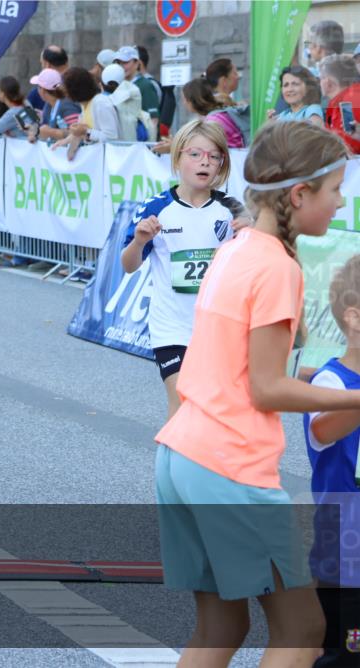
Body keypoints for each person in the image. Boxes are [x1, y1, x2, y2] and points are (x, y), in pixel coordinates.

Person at [155, 120, 353, 666]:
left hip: (182, 453)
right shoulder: (277, 266)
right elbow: (266, 389)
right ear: (298, 194)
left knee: (222, 625)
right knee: (303, 629)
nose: (341, 202)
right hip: (228, 464)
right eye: (335, 189)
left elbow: (237, 364)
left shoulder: (238, 247)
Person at [121, 119, 250, 417]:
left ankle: (201, 464)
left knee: (214, 411)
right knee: (183, 404)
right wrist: (139, 242)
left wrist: (250, 235)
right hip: (172, 328)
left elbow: (249, 267)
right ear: (178, 157)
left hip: (218, 327)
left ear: (222, 164)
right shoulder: (155, 208)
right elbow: (128, 266)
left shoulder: (233, 209)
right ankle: (171, 463)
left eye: (214, 156)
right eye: (195, 154)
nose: (204, 162)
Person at [302, 255, 360, 668]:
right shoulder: (329, 382)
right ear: (354, 317)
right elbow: (322, 431)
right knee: (346, 653)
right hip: (346, 547)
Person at [52, 66, 119, 159]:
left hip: (110, 161)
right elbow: (84, 132)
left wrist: (86, 131)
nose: (66, 94)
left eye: (67, 90)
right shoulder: (85, 104)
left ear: (76, 90)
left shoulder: (101, 103)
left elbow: (112, 137)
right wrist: (64, 141)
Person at [319, 54, 360, 154]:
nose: (319, 83)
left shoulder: (348, 103)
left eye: (320, 78)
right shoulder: (345, 100)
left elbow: (350, 147)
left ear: (327, 82)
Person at [31, 68, 80, 142]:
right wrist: (35, 133)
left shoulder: (67, 105)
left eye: (38, 87)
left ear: (43, 90)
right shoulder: (49, 105)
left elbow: (78, 133)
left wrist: (51, 132)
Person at [101, 63, 142, 142]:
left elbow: (115, 99)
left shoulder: (130, 90)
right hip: (121, 144)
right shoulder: (104, 98)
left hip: (128, 143)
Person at [27, 45, 69, 111]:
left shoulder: (40, 91)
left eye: (42, 63)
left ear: (47, 64)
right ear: (66, 63)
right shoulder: (81, 80)